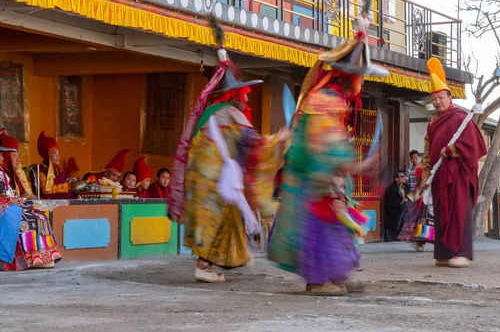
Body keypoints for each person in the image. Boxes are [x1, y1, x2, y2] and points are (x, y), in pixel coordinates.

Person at [267, 15, 385, 296]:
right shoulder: (325, 100)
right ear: (350, 77)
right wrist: (352, 165)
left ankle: (335, 274)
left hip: (323, 174)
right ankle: (319, 280)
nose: (361, 82)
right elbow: (323, 144)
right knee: (321, 225)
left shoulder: (334, 99)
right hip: (314, 175)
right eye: (360, 76)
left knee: (336, 227)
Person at [172, 16, 287, 283]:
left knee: (221, 221)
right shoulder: (232, 115)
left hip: (204, 182)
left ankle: (210, 264)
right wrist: (279, 140)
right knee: (221, 220)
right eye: (244, 92)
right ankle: (205, 265)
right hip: (218, 183)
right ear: (237, 94)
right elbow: (254, 147)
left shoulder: (208, 116)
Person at [420, 57, 487, 268]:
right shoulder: (432, 124)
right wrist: (425, 174)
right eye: (434, 99)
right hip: (440, 176)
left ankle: (461, 253)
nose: (438, 102)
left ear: (450, 97)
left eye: (441, 97)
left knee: (458, 212)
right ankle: (443, 253)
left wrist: (453, 150)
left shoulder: (460, 117)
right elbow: (428, 152)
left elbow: (475, 145)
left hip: (459, 174)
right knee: (442, 213)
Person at [0, 130, 61, 270]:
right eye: (1, 155)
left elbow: (4, 193)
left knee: (40, 216)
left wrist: (16, 199)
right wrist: (10, 202)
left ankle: (41, 257)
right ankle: (22, 260)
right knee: (24, 222)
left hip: (6, 206)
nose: (4, 158)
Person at [37, 131, 77, 199]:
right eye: (54, 154)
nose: (58, 157)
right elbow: (46, 190)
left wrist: (70, 179)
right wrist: (66, 184)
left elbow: (64, 178)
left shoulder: (57, 169)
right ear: (48, 155)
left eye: (58, 153)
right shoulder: (42, 170)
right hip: (49, 200)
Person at [0, 128, 36, 200]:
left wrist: (31, 197)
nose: (18, 160)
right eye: (14, 156)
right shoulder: (0, 174)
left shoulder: (15, 173)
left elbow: (26, 193)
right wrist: (23, 198)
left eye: (18, 156)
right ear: (7, 157)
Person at [384, 170, 410, 242]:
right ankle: (401, 228)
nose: (404, 178)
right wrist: (400, 202)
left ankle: (402, 228)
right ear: (396, 179)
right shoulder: (391, 189)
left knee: (407, 204)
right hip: (395, 210)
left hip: (405, 210)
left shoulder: (407, 187)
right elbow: (388, 204)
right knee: (405, 205)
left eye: (404, 176)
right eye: (401, 176)